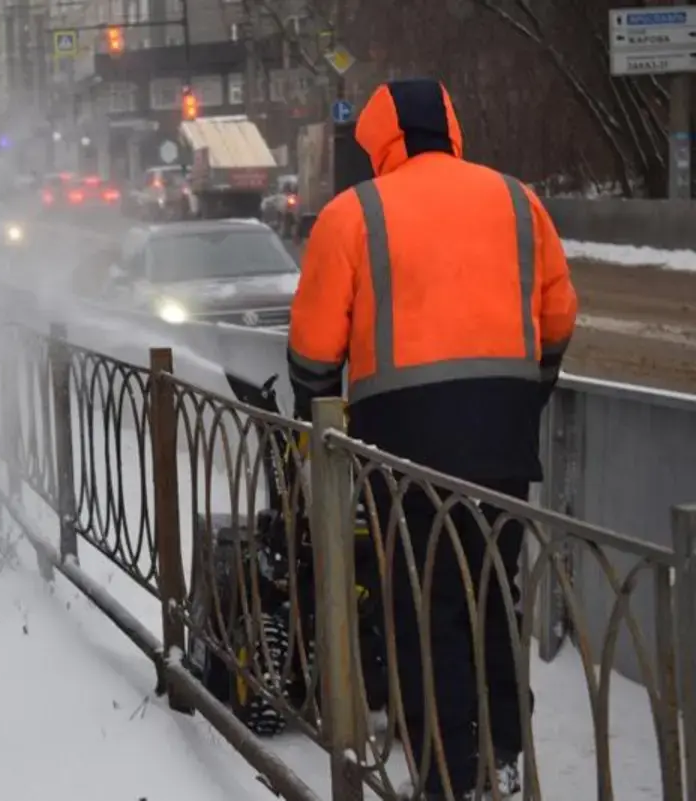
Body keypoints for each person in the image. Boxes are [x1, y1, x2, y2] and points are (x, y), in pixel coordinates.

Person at [285, 79, 578, 800]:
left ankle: (448, 771)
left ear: (379, 140)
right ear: (451, 126)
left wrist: (320, 420)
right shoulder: (517, 200)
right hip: (503, 444)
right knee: (492, 591)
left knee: (424, 602)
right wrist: (521, 396)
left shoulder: (356, 213)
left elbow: (316, 350)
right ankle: (505, 752)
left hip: (402, 444)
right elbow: (559, 315)